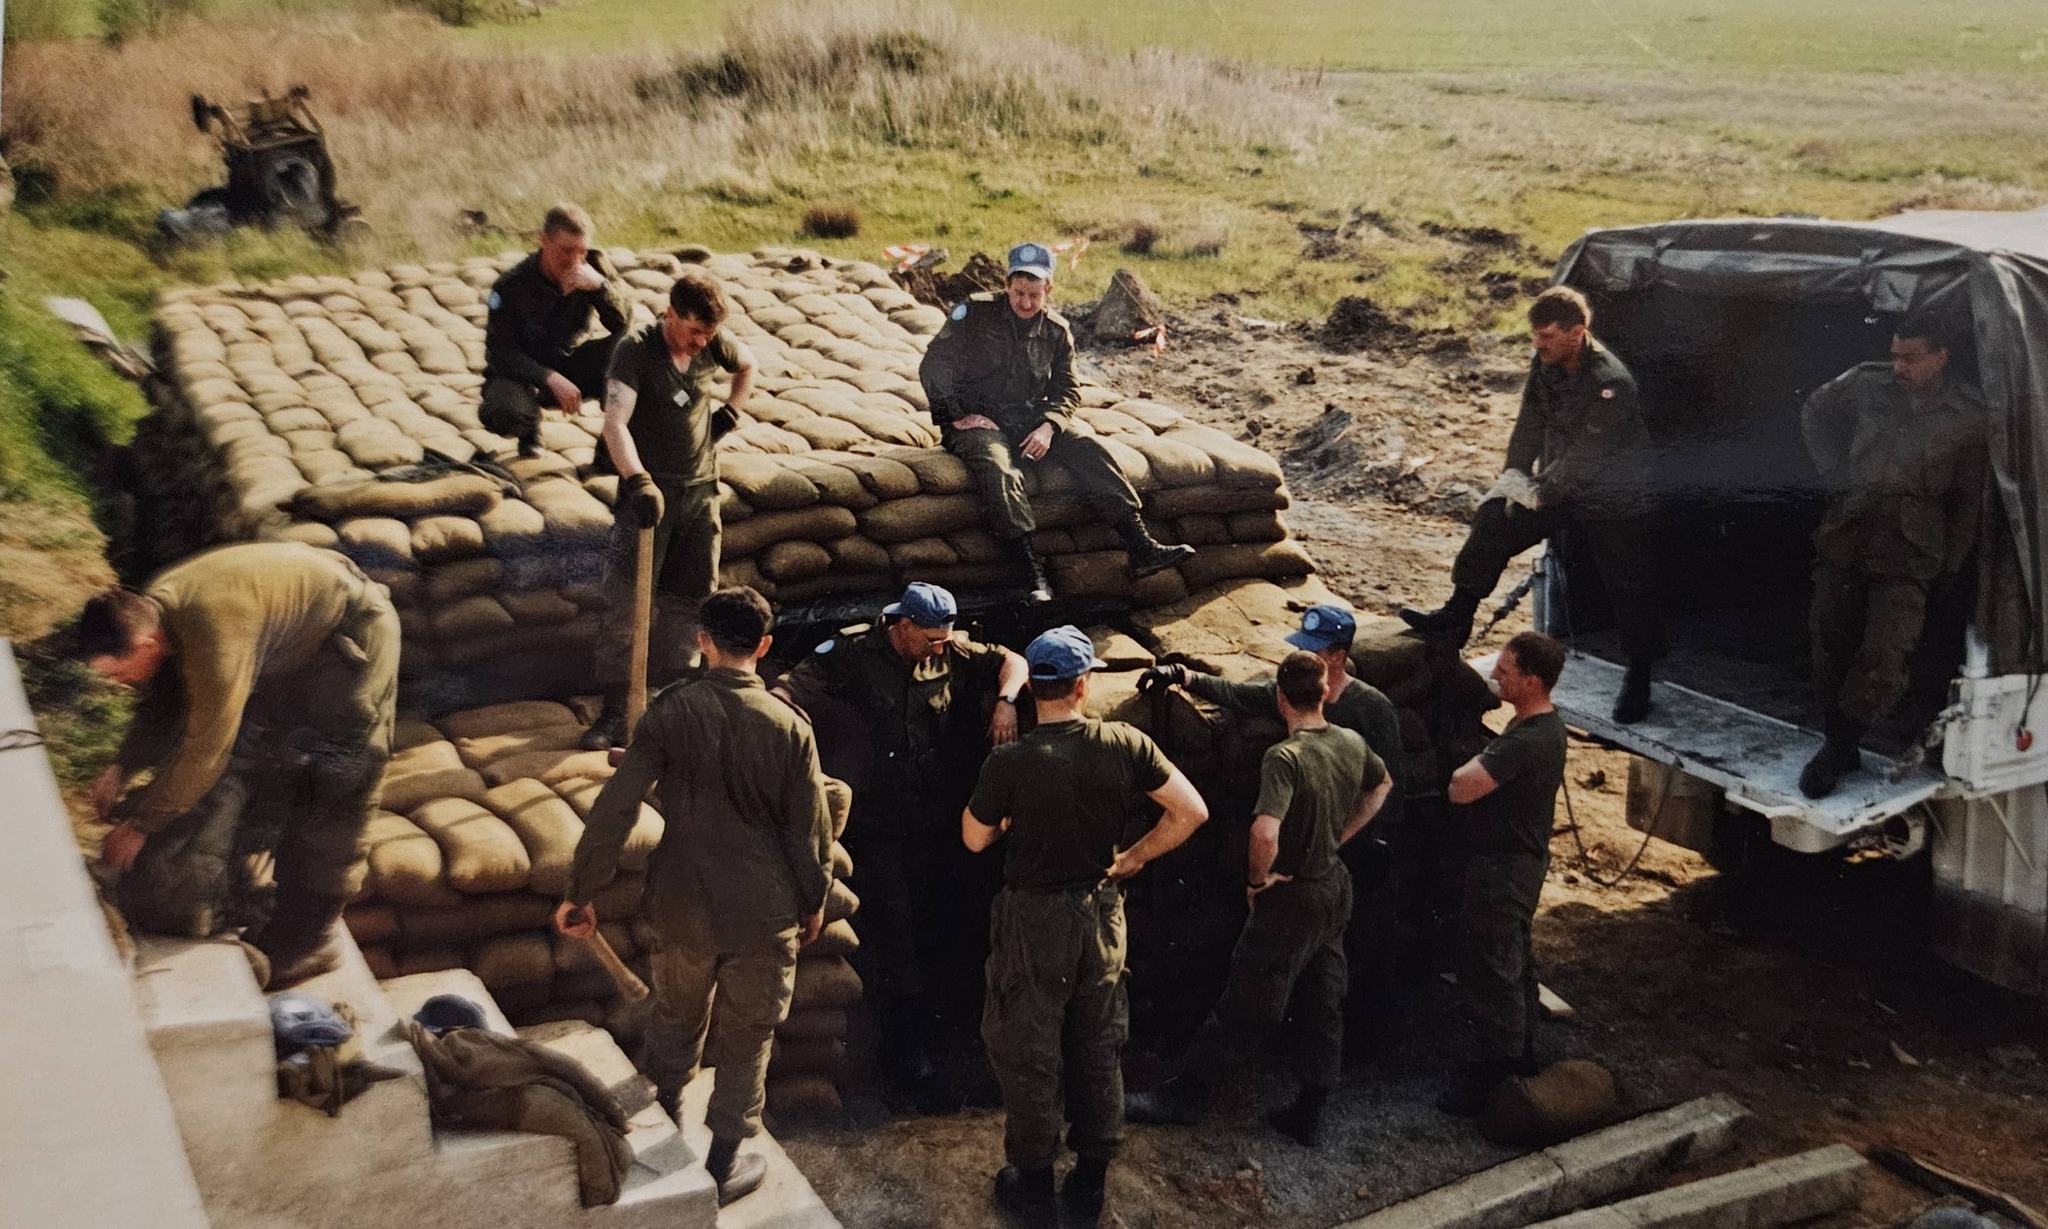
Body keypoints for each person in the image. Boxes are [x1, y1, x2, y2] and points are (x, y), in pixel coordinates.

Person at [556, 586, 831, 1207]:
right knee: (749, 1038)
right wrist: (813, 900)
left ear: (703, 641)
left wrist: (582, 890)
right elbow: (809, 831)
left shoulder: (671, 711)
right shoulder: (791, 727)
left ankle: (667, 1145)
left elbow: (616, 808)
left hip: (683, 907)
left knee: (675, 1022)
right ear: (765, 646)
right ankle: (723, 1164)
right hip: (763, 916)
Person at [963, 626, 1209, 1225]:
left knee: (1030, 1046)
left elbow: (974, 839)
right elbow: (1191, 811)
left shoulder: (1009, 761)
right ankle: (1090, 1182)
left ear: (1034, 691)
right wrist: (1134, 858)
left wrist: (1009, 822)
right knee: (1098, 1042)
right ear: (1082, 686)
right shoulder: (1124, 742)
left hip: (1033, 922)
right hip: (1100, 913)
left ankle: (1033, 1184)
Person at [77, 542, 399, 989]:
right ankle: (242, 887)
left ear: (146, 643)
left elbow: (207, 748)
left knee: (337, 778)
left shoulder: (210, 632)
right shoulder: (157, 615)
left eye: (119, 673)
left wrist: (141, 825)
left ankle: (312, 939)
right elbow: (165, 703)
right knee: (259, 760)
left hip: (349, 638)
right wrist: (122, 766)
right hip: (292, 642)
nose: (120, 683)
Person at [776, 581, 1028, 1106]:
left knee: (943, 924)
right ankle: (906, 1054)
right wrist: (794, 723)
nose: (939, 648)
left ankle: (949, 1036)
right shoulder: (852, 651)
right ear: (903, 626)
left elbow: (1014, 662)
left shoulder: (952, 650)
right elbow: (788, 690)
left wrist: (1006, 702)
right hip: (881, 821)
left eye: (945, 639)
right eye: (931, 639)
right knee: (895, 930)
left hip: (938, 817)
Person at [1125, 652, 1391, 1146]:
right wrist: (1339, 837)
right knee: (1323, 996)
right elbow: (1382, 785)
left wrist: (1257, 880)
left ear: (1280, 697)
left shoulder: (1284, 758)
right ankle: (1311, 1107)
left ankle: (1185, 1096)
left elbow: (1265, 831)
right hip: (1334, 886)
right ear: (1325, 692)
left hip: (1292, 896)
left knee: (1248, 999)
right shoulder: (1351, 742)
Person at [1139, 603, 1413, 1042]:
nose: (1302, 654)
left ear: (1339, 656)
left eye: (1315, 648)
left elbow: (1389, 785)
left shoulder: (1369, 709)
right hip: (1308, 857)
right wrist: (1184, 677)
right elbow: (1237, 694)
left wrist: (1365, 842)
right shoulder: (1296, 690)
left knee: (1357, 952)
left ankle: (1364, 1042)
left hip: (1356, 856)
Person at [1401, 287, 1662, 725]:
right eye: (1535, 336)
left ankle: (1640, 675)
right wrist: (1513, 478)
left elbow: (1587, 457)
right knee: (1495, 519)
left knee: (1628, 584)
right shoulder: (1547, 363)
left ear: (1577, 333)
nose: (1538, 345)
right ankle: (1457, 615)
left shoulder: (1611, 383)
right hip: (1561, 484)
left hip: (1615, 496)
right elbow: (1529, 424)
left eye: (1547, 336)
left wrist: (1539, 492)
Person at [919, 242, 1193, 601]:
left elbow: (1067, 388)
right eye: (1019, 293)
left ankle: (1141, 545)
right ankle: (1031, 575)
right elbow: (934, 364)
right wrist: (956, 415)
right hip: (978, 422)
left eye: (1034, 295)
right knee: (998, 467)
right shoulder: (975, 312)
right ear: (1006, 285)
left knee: (1089, 448)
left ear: (1048, 289)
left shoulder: (1056, 331)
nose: (1026, 303)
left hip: (1029, 418)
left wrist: (1049, 426)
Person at [1796, 316, 1987, 799]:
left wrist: (1951, 562)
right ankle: (1839, 739)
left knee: (1885, 656)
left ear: (1940, 357)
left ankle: (1841, 743)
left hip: (1910, 551)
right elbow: (1815, 409)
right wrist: (1833, 470)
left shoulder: (1968, 415)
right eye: (1895, 355)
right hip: (1849, 533)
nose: (1899, 366)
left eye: (1911, 358)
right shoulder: (1866, 382)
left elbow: (1968, 500)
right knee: (1830, 641)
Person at [580, 270, 757, 750]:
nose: (702, 343)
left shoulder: (711, 344)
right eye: (695, 331)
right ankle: (617, 708)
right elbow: (615, 423)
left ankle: (672, 695)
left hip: (700, 494)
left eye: (710, 334)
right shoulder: (635, 351)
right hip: (650, 499)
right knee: (628, 601)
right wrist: (637, 479)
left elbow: (748, 366)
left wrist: (729, 415)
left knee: (691, 600)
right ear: (671, 315)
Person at [1439, 631, 1568, 1116]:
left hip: (1504, 869)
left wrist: (1470, 763)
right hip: (1514, 863)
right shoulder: (1538, 727)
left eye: (1506, 670)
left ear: (1532, 681)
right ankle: (1520, 1054)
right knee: (1512, 961)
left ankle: (1499, 1077)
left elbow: (1461, 787)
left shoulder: (1528, 740)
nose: (1494, 675)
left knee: (1491, 967)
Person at [481, 202, 630, 458]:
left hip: (572, 362)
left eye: (581, 251)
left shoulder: (593, 267)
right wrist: (547, 377)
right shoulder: (512, 285)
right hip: (525, 373)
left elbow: (622, 323)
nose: (574, 259)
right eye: (566, 250)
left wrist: (600, 287)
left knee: (627, 351)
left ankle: (612, 445)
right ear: (544, 241)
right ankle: (529, 430)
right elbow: (501, 353)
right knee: (504, 411)